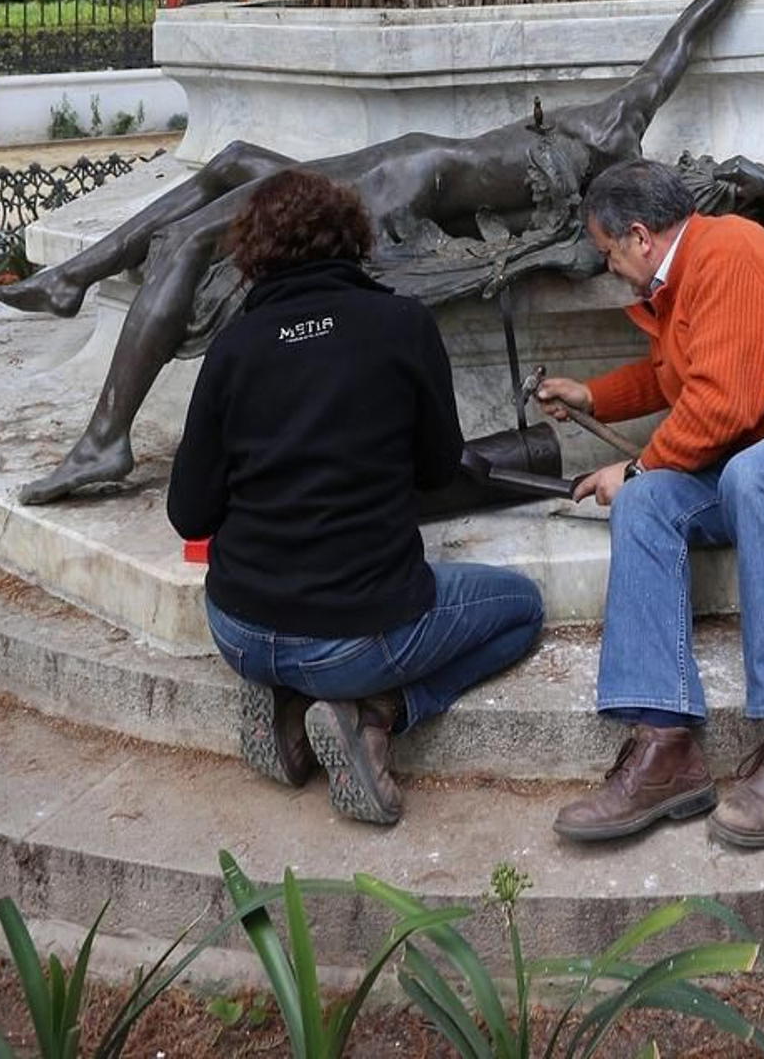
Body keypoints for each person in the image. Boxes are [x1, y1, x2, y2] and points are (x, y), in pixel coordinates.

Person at [4, 0, 764, 504]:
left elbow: (677, 49)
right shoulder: (616, 124)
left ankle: (105, 440)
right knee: (233, 159)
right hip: (401, 166)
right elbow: (680, 40)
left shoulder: (614, 163)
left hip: (399, 186)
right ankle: (79, 273)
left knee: (193, 238)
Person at [537, 158, 764, 853]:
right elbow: (674, 374)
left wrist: (638, 462)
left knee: (749, 475)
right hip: (760, 462)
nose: (609, 267)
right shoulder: (680, 277)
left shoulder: (726, 249)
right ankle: (665, 745)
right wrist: (593, 396)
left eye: (609, 252)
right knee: (645, 505)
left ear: (640, 236)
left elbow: (725, 404)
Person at [166, 167, 543, 827]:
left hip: (240, 631)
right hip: (356, 639)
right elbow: (435, 470)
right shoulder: (402, 324)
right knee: (522, 609)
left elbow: (189, 513)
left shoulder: (232, 349)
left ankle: (284, 700)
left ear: (252, 252)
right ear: (352, 235)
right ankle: (376, 713)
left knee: (294, 632)